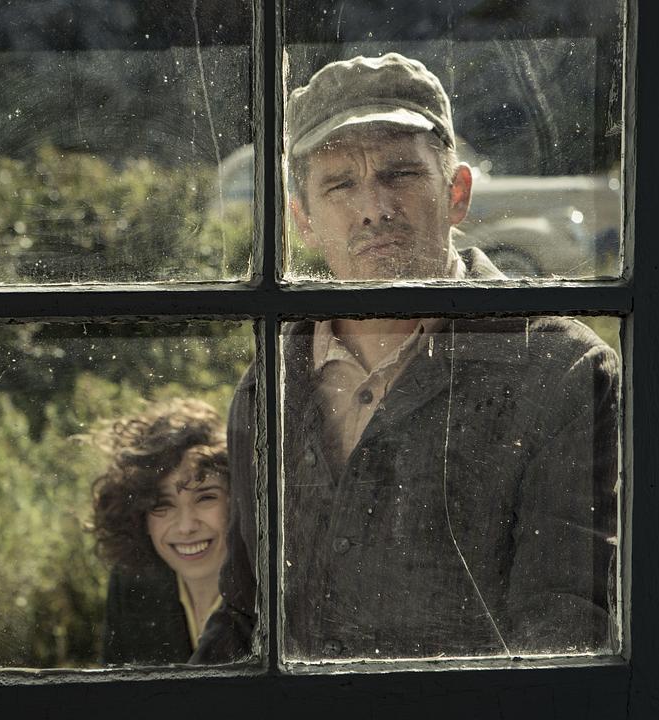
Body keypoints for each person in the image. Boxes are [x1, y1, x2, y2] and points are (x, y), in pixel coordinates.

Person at [194, 53, 619, 662]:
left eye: (400, 173)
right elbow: (246, 612)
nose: (374, 207)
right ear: (302, 221)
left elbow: (564, 636)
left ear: (457, 193)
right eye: (340, 184)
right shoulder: (272, 381)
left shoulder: (562, 371)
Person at [90, 398, 231, 665]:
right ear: (138, 516)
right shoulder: (131, 585)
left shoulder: (271, 593)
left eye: (205, 498)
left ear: (237, 499)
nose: (186, 526)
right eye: (162, 504)